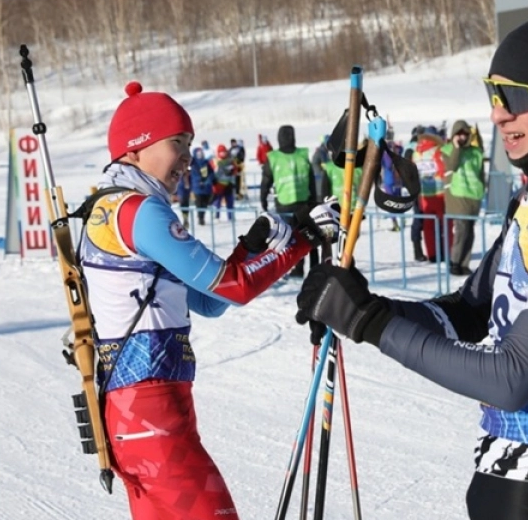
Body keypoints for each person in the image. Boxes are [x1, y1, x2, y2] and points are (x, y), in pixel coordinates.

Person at [296, 9, 528, 520]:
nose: (499, 114)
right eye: (494, 94)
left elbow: (513, 379)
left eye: (518, 98)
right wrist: (361, 303)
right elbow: (467, 312)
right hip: (507, 476)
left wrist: (370, 324)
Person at [81, 81, 339, 519]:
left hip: (149, 407)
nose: (186, 158)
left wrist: (252, 245)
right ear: (135, 149)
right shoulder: (138, 211)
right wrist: (303, 240)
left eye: (189, 144)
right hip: (150, 412)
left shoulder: (119, 207)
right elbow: (232, 288)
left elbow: (209, 301)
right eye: (176, 144)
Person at [259, 124, 318, 278]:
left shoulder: (274, 158)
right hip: (304, 202)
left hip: (285, 204)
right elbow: (311, 179)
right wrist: (314, 199)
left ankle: (297, 270)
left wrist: (263, 199)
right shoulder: (302, 155)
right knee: (310, 235)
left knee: (291, 239)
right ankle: (315, 270)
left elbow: (266, 180)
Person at [442, 119, 485, 276]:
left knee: (470, 231)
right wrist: (456, 148)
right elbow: (452, 166)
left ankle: (464, 263)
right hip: (458, 197)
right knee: (461, 231)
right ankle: (455, 263)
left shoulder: (476, 151)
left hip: (474, 197)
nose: (462, 137)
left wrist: (482, 189)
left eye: (464, 134)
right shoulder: (448, 149)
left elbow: (480, 173)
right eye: (458, 134)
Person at [412, 125, 447, 262]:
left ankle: (432, 254)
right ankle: (442, 252)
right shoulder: (437, 151)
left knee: (428, 226)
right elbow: (442, 170)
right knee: (441, 225)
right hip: (438, 193)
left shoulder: (416, 153)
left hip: (423, 194)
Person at [187, 147, 216, 226]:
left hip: (207, 187)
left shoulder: (206, 162)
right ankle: (201, 218)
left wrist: (209, 180)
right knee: (199, 203)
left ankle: (201, 215)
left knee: (205, 204)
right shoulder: (193, 162)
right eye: (198, 154)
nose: (200, 155)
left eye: (201, 153)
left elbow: (211, 173)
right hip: (197, 187)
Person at [211, 144, 237, 220]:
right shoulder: (215, 161)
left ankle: (230, 216)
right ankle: (216, 216)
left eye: (224, 152)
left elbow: (235, 169)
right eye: (221, 152)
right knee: (217, 202)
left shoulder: (230, 160)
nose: (223, 154)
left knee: (230, 201)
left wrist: (232, 172)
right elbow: (211, 171)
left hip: (229, 184)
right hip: (218, 185)